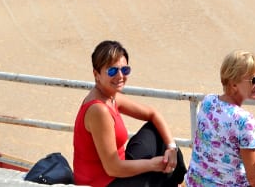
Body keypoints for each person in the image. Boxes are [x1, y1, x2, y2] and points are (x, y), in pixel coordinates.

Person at [73, 40, 185, 187]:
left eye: (125, 70)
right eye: (112, 71)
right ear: (96, 74)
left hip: (118, 168)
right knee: (159, 172)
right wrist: (152, 164)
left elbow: (152, 113)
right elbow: (112, 168)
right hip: (103, 182)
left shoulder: (110, 96)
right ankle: (178, 179)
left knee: (158, 134)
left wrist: (171, 148)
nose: (120, 76)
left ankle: (179, 177)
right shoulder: (99, 110)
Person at [184, 50, 255, 187]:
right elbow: (254, 179)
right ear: (234, 84)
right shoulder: (245, 121)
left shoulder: (208, 101)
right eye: (254, 80)